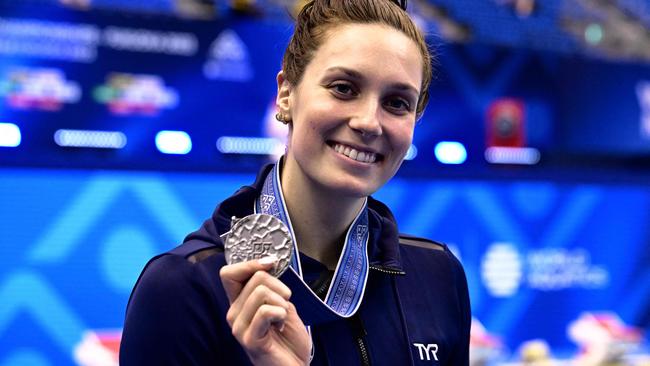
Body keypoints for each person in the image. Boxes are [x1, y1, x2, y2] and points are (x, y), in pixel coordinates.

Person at [119, 0, 471, 364]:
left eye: (397, 103)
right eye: (343, 88)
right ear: (287, 92)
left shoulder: (438, 275)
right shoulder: (184, 288)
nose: (369, 121)